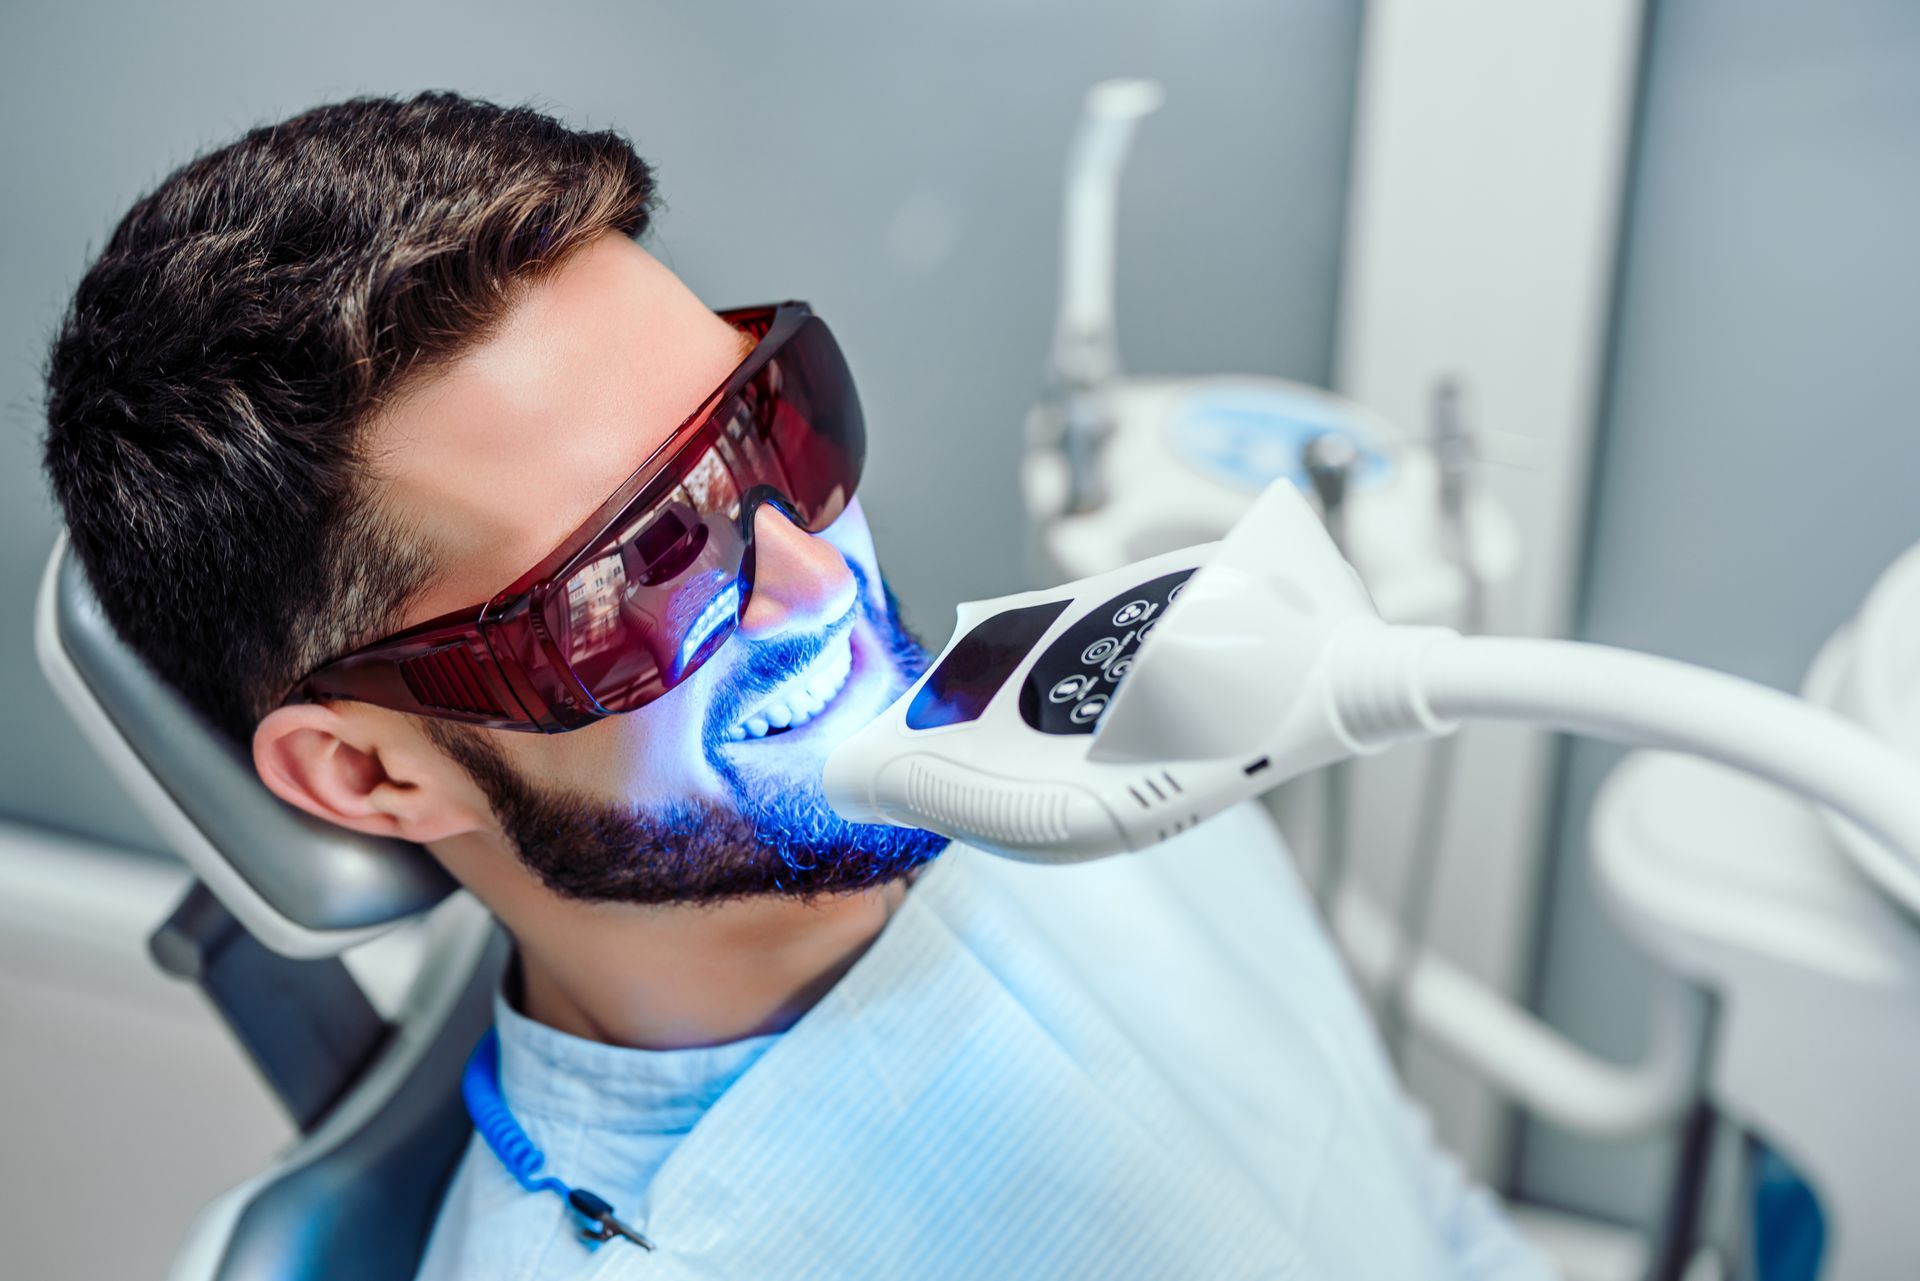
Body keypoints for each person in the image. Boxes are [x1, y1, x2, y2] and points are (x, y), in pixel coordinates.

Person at [42, 92, 1554, 1279]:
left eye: (774, 431)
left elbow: (1412, 1206)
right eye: (631, 572)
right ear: (377, 773)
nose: (823, 587)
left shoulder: (1099, 728)